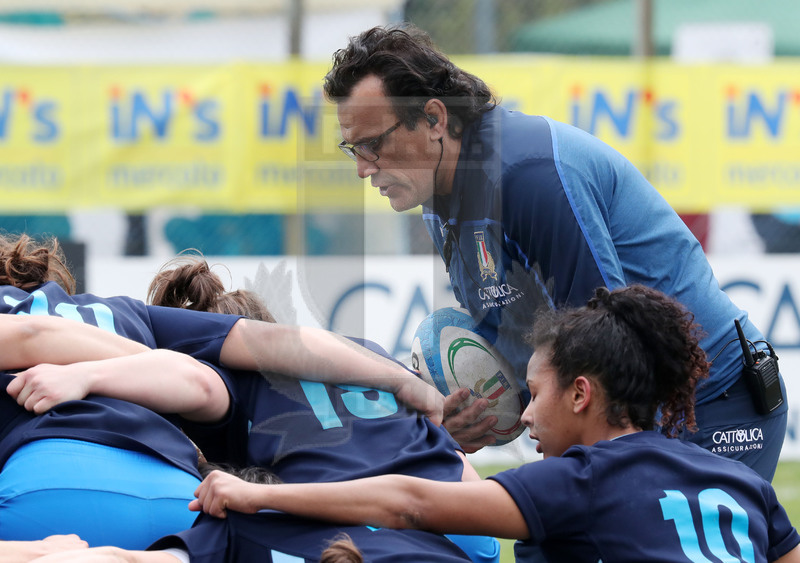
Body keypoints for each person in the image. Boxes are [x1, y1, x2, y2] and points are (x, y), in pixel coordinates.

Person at [322, 23, 788, 481]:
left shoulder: (526, 175)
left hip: (715, 404)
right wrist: (473, 415)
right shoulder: (439, 200)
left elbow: (606, 347)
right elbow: (528, 343)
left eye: (373, 144)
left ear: (435, 119)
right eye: (352, 149)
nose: (363, 168)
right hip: (640, 404)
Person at [189, 285, 800, 562]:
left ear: (581, 394)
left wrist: (251, 492)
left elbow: (408, 505)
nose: (526, 414)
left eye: (534, 394)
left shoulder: (582, 480)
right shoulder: (744, 483)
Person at [7, 252, 497, 563]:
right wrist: (416, 388)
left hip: (351, 530)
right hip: (462, 521)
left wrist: (87, 373)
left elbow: (199, 385)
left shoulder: (230, 376)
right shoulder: (359, 353)